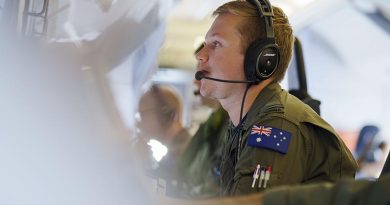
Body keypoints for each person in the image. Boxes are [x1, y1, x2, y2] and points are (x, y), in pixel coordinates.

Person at [195, 0, 357, 196]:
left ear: (261, 60)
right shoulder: (243, 123)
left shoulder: (275, 126)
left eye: (216, 44)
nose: (201, 55)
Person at [135, 83, 192, 196]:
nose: (138, 123)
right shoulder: (174, 153)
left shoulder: (187, 154)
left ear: (167, 115)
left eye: (143, 114)